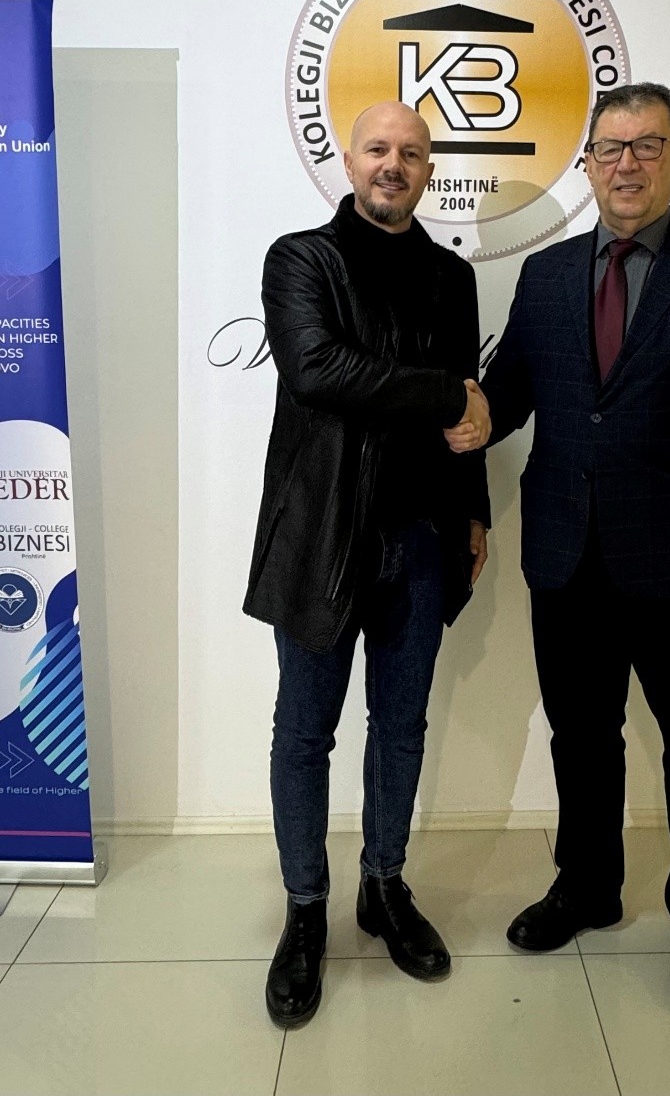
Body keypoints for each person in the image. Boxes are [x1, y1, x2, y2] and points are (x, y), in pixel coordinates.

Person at [449, 81, 670, 1005]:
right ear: (589, 164)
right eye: (612, 148)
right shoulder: (548, 275)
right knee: (581, 736)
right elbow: (512, 389)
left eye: (648, 145)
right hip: (567, 557)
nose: (628, 164)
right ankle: (588, 887)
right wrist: (465, 412)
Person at [245, 100, 492, 1027]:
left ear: (429, 170)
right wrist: (445, 392)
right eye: (378, 148)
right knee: (304, 732)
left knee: (401, 726)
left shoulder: (451, 276)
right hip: (321, 537)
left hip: (422, 538)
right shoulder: (300, 260)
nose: (395, 163)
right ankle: (305, 910)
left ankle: (384, 884)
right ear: (348, 162)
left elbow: (469, 422)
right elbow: (319, 370)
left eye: (412, 152)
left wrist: (474, 511)